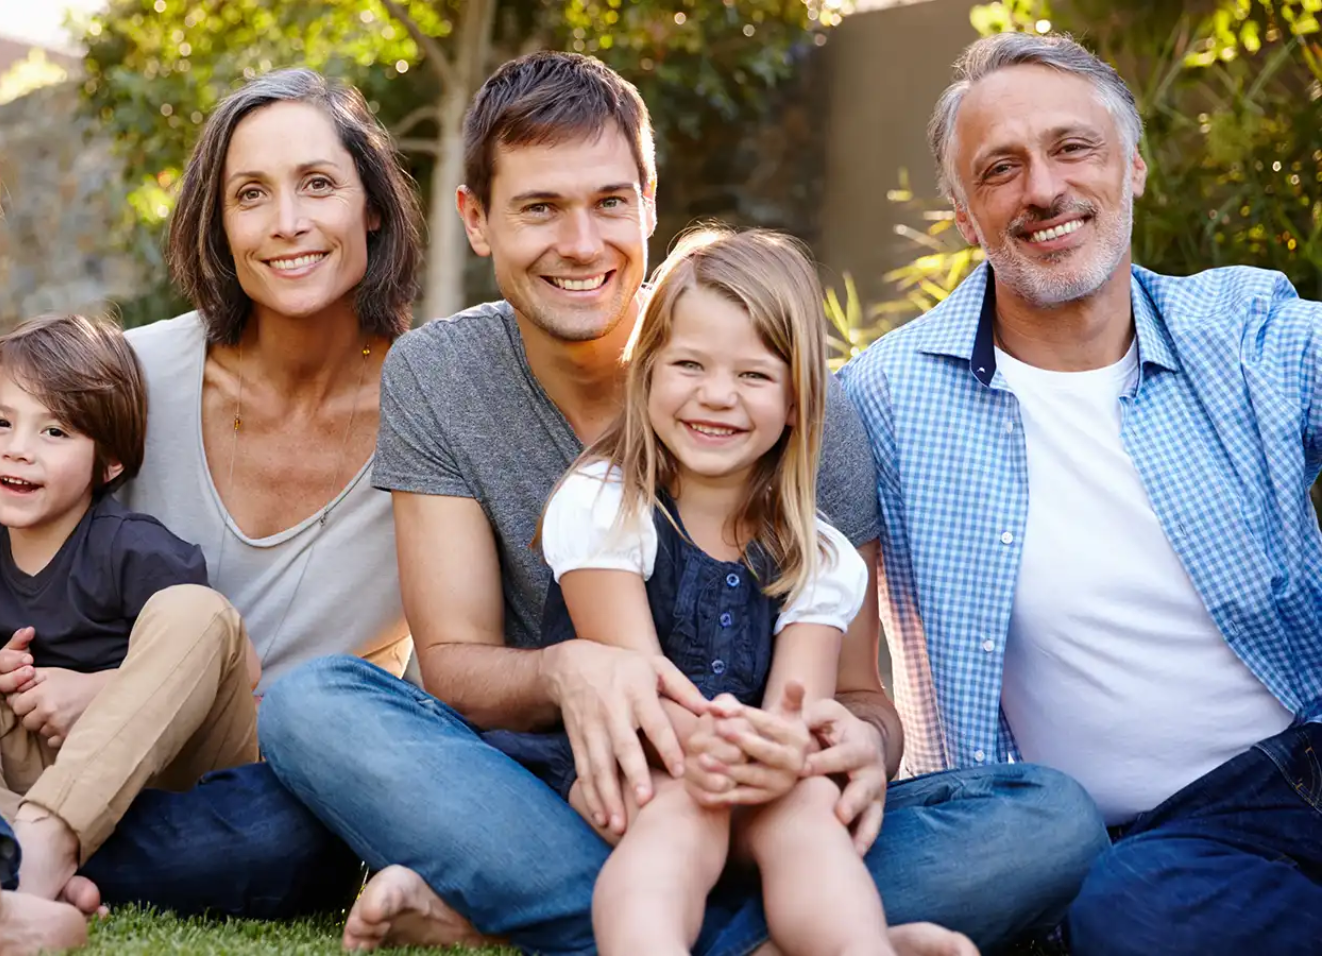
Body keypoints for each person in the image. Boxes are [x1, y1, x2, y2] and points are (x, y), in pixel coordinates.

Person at [259, 50, 1104, 956]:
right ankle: (784, 938)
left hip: (778, 805)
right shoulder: (442, 376)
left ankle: (515, 921)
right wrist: (565, 671)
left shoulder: (810, 415)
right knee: (312, 703)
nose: (581, 244)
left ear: (649, 202)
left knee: (1051, 819)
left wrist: (857, 744)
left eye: (609, 202)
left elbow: (858, 694)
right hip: (574, 792)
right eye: (540, 208)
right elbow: (455, 666)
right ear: (477, 218)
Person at [0, 67, 424, 955]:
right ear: (218, 224)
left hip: (232, 779)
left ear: (373, 207)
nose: (286, 221)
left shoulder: (436, 411)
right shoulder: (128, 377)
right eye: (250, 193)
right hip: (48, 745)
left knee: (297, 828)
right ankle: (8, 870)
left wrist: (115, 694)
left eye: (318, 184)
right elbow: (7, 561)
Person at [838, 30, 1322, 955]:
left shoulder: (1245, 329)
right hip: (1128, 856)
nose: (1044, 189)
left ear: (1132, 168)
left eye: (1073, 147)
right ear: (964, 216)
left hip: (1305, 769)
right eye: (1000, 169)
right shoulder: (883, 400)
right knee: (1127, 911)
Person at [512, 226, 951, 956]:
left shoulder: (819, 557)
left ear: (796, 402)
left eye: (753, 375)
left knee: (810, 809)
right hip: (623, 765)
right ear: (646, 373)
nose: (716, 396)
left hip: (751, 779)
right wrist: (735, 755)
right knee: (682, 811)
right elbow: (637, 692)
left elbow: (795, 711)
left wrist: (783, 753)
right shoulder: (604, 505)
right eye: (689, 364)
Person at [0, 313, 259, 918]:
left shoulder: (134, 548)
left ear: (109, 462)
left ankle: (40, 853)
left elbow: (238, 665)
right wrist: (6, 680)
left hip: (171, 773)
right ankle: (0, 849)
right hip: (41, 775)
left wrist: (100, 689)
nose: (18, 448)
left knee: (197, 610)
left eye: (54, 431)